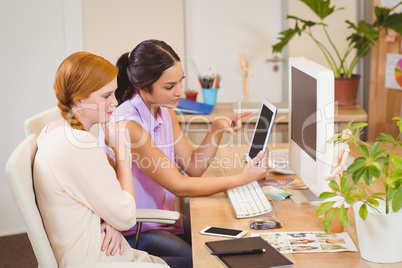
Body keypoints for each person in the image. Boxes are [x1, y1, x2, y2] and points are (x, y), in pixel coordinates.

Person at [102, 39, 270, 261]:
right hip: (137, 228)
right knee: (205, 260)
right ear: (143, 87)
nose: (179, 91)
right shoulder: (129, 125)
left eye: (180, 82)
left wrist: (215, 130)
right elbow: (180, 186)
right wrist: (242, 178)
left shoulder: (164, 111)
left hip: (162, 219)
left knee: (234, 245)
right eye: (169, 87)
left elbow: (193, 167)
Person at [33, 52, 168, 268]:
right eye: (106, 96)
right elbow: (126, 217)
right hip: (101, 260)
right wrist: (122, 150)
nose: (115, 102)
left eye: (113, 93)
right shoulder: (78, 145)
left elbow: (88, 194)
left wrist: (109, 219)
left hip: (107, 253)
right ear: (79, 99)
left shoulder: (55, 130)